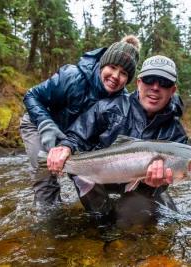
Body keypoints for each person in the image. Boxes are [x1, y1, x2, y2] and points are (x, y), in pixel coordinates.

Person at [47, 55, 188, 216]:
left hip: (142, 187)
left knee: (135, 225)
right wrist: (65, 147)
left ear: (173, 90)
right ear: (139, 83)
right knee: (103, 221)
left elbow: (171, 178)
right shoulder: (108, 107)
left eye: (164, 83)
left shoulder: (177, 135)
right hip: (98, 177)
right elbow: (77, 135)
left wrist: (156, 184)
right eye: (150, 79)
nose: (155, 87)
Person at [19, 35, 141, 206]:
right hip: (38, 125)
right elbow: (31, 96)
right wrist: (45, 124)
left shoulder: (122, 104)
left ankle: (100, 220)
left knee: (92, 182)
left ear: (128, 80)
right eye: (112, 67)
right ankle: (47, 224)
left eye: (123, 73)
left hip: (77, 140)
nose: (115, 76)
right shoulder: (72, 76)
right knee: (46, 178)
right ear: (102, 65)